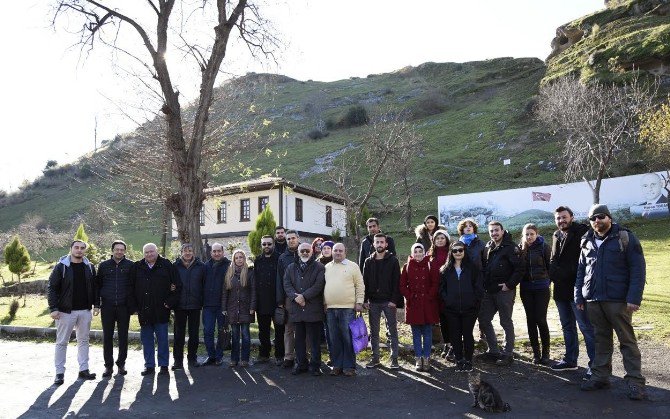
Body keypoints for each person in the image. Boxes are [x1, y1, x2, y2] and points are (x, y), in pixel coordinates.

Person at [576, 204, 647, 400]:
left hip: (618, 300)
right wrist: (579, 296)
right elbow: (581, 271)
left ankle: (635, 382)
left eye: (600, 217)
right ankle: (600, 376)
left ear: (609, 218)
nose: (597, 221)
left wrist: (634, 298)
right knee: (601, 340)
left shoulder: (625, 237)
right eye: (593, 219)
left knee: (627, 341)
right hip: (593, 300)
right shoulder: (586, 241)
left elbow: (638, 269)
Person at [549, 206, 594, 376]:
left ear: (572, 217)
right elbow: (553, 259)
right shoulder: (556, 235)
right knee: (567, 326)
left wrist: (563, 273)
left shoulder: (582, 232)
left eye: (564, 217)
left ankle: (594, 364)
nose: (561, 220)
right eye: (558, 218)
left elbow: (584, 262)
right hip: (560, 290)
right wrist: (553, 273)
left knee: (586, 327)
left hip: (578, 289)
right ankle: (570, 360)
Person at [48, 240, 99, 385]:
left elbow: (95, 287)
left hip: (85, 311)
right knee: (62, 342)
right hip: (65, 312)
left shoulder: (89, 267)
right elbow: (52, 287)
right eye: (76, 247)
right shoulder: (61, 267)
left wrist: (96, 305)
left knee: (83, 340)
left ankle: (84, 370)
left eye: (82, 248)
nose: (79, 250)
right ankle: (59, 373)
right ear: (71, 249)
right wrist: (53, 308)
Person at [129, 243, 181, 376]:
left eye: (152, 251)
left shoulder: (166, 265)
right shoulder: (137, 267)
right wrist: (135, 307)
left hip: (161, 310)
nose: (149, 254)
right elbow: (130, 288)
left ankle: (164, 366)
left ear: (157, 252)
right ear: (143, 254)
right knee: (147, 340)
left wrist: (169, 304)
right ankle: (149, 366)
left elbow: (178, 286)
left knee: (162, 339)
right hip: (144, 310)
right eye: (146, 252)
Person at [478, 221, 523, 366]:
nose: (494, 233)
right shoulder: (488, 246)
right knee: (484, 320)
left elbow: (520, 269)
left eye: (496, 230)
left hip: (504, 291)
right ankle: (493, 351)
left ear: (503, 231)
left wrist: (509, 285)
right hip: (489, 291)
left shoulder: (511, 248)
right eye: (491, 231)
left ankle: (507, 354)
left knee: (505, 322)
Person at [440, 241, 484, 373]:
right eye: (455, 251)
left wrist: (474, 301)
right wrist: (448, 301)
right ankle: (459, 360)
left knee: (467, 334)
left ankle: (469, 360)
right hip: (451, 309)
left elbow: (478, 287)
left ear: (464, 251)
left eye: (460, 250)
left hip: (469, 309)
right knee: (455, 335)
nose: (458, 253)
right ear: (451, 253)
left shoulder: (473, 268)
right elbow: (442, 289)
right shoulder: (445, 270)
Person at [283, 243, 326, 376]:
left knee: (314, 340)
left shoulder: (319, 267)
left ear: (312, 252)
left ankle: (315, 366)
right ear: (298, 252)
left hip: (313, 308)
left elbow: (319, 285)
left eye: (307, 250)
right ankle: (301, 364)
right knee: (299, 339)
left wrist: (304, 296)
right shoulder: (291, 267)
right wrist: (296, 297)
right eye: (302, 251)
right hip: (296, 308)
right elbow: (287, 284)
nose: (305, 253)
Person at [324, 243, 365, 377]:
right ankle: (337, 365)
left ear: (345, 252)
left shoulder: (353, 266)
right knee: (334, 338)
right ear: (332, 252)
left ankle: (349, 366)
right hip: (330, 309)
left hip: (348, 308)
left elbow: (360, 285)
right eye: (335, 250)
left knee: (347, 338)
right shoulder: (327, 267)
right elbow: (324, 286)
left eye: (340, 251)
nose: (338, 253)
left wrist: (359, 302)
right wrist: (324, 303)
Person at [363, 233, 402, 369]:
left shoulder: (393, 260)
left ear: (386, 244)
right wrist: (365, 300)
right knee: (374, 332)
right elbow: (365, 282)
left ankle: (394, 360)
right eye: (377, 242)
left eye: (382, 242)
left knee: (392, 331)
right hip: (373, 302)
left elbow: (397, 281)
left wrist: (393, 300)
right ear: (373, 244)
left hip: (388, 302)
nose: (379, 244)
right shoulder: (368, 261)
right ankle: (375, 359)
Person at [96, 240, 133, 378]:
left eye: (122, 249)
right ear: (112, 250)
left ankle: (121, 363)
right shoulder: (104, 266)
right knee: (107, 337)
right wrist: (97, 304)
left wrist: (133, 306)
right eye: (117, 249)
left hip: (124, 307)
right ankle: (108, 366)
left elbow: (133, 286)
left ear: (125, 251)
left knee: (123, 336)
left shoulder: (130, 265)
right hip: (107, 306)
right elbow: (97, 286)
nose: (119, 252)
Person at [400, 243, 439, 372]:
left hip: (427, 304)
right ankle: (418, 358)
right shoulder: (406, 266)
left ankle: (426, 358)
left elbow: (435, 283)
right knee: (416, 334)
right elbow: (402, 286)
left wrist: (429, 296)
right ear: (412, 253)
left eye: (420, 251)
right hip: (413, 304)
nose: (418, 254)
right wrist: (409, 296)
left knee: (427, 333)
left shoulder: (430, 265)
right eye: (415, 251)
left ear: (424, 252)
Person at [518, 224, 552, 365]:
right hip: (526, 289)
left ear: (537, 234)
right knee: (530, 320)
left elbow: (550, 267)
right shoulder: (520, 248)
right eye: (526, 234)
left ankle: (546, 352)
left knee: (540, 319)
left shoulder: (544, 247)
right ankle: (536, 353)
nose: (529, 237)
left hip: (541, 288)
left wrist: (547, 282)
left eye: (532, 234)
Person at [172, 243, 206, 369]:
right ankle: (178, 361)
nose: (187, 253)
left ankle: (192, 359)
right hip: (179, 305)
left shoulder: (201, 266)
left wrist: (202, 300)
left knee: (194, 334)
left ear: (193, 252)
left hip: (195, 305)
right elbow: (170, 283)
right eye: (185, 251)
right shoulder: (175, 266)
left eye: (190, 250)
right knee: (178, 334)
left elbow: (204, 284)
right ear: (181, 252)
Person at [222, 249, 256, 368]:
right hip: (232, 309)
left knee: (246, 335)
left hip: (246, 308)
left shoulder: (250, 272)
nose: (239, 259)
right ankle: (234, 359)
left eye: (241, 257)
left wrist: (253, 307)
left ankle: (245, 359)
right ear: (233, 259)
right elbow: (225, 292)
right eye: (236, 258)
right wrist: (224, 307)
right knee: (235, 336)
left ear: (244, 259)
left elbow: (253, 292)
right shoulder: (229, 273)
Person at [254, 235, 284, 365]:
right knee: (263, 331)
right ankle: (264, 354)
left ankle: (279, 356)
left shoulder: (279, 259)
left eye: (269, 244)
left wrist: (282, 300)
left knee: (279, 331)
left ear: (273, 244)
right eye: (264, 244)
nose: (266, 246)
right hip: (262, 302)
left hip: (277, 301)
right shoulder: (258, 260)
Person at [200, 242, 231, 366]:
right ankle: (211, 355)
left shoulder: (229, 265)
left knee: (222, 331)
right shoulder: (205, 266)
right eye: (214, 251)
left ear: (223, 252)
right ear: (211, 252)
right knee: (208, 331)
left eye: (219, 251)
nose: (217, 253)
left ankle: (219, 356)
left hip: (223, 306)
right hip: (208, 305)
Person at [276, 229, 300, 368]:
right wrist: (280, 300)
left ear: (298, 238)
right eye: (288, 239)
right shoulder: (283, 257)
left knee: (303, 329)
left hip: (305, 298)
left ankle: (302, 356)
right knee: (289, 329)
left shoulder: (306, 252)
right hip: (288, 299)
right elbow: (279, 280)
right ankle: (288, 357)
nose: (291, 240)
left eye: (293, 238)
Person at [428, 229, 452, 360]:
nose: (440, 240)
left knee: (452, 319)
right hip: (436, 292)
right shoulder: (430, 254)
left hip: (450, 291)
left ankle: (453, 346)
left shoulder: (452, 252)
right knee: (442, 320)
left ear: (446, 239)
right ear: (434, 241)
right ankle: (446, 344)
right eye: (437, 238)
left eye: (442, 238)